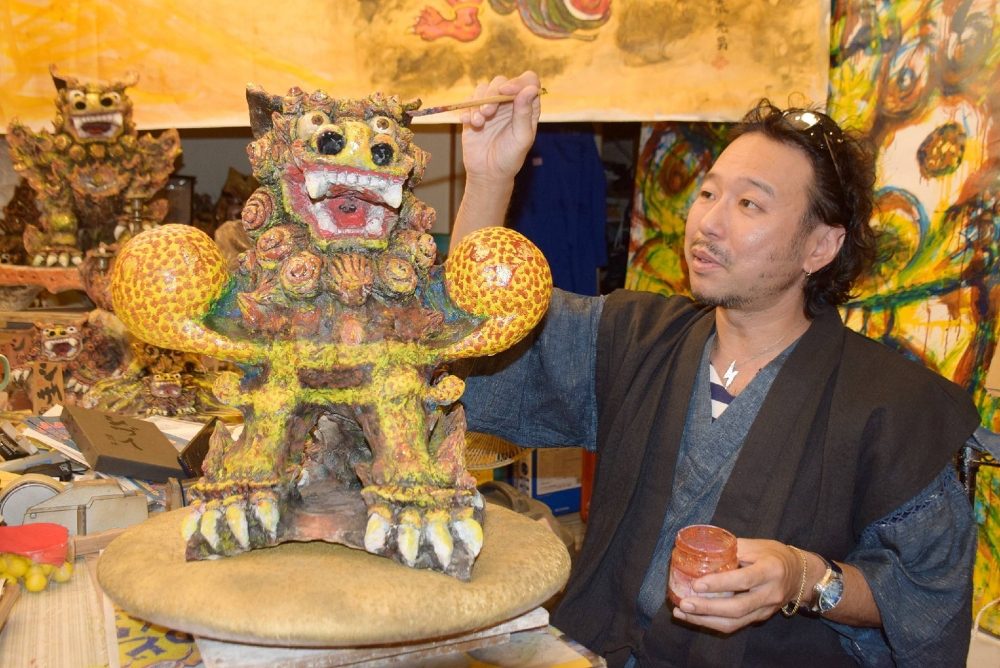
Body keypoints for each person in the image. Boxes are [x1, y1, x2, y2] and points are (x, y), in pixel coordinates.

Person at [452, 72, 982, 667]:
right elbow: (476, 334)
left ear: (819, 247)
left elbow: (925, 596)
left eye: (749, 203)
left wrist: (802, 576)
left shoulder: (891, 404)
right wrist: (491, 178)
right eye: (708, 193)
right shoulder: (637, 338)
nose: (708, 221)